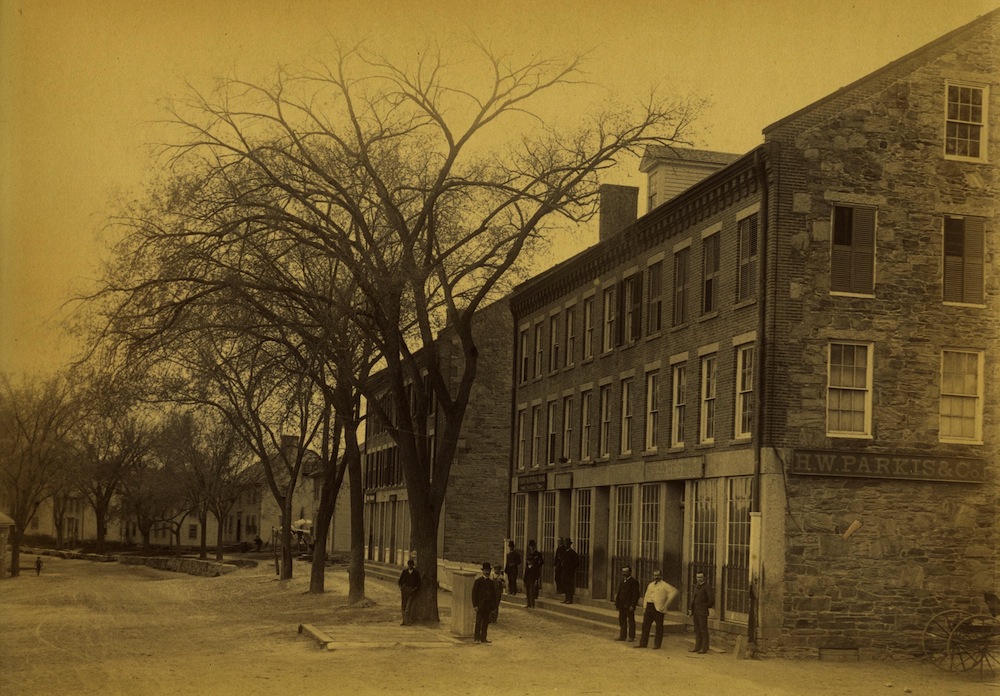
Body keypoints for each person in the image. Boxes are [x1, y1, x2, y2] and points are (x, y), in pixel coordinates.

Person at [634, 569, 678, 649]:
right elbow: (647, 596)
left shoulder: (664, 585)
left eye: (658, 575)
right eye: (655, 575)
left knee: (659, 627)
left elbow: (674, 591)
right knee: (645, 625)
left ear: (661, 576)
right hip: (649, 606)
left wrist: (665, 605)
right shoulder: (651, 585)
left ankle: (657, 644)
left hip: (658, 608)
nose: (656, 577)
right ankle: (643, 643)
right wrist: (645, 606)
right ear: (652, 576)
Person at [689, 571, 715, 654]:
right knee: (697, 630)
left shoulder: (707, 587)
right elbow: (693, 599)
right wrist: (691, 609)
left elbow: (711, 600)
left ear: (704, 578)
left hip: (702, 611)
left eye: (700, 577)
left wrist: (704, 606)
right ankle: (697, 647)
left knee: (703, 630)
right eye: (697, 577)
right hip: (696, 611)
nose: (699, 579)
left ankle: (704, 648)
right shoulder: (697, 587)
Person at [472, 562, 497, 643]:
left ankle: (483, 637)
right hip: (480, 605)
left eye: (488, 571)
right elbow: (474, 594)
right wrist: (475, 605)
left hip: (488, 605)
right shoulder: (478, 581)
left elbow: (493, 595)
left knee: (486, 622)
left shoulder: (491, 582)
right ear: (483, 571)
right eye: (485, 570)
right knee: (479, 621)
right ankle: (477, 638)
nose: (487, 572)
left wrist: (493, 607)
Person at [614, 565, 641, 641]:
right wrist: (617, 603)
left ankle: (631, 637)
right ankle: (622, 636)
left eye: (626, 572)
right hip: (622, 604)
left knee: (631, 620)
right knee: (622, 620)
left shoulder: (633, 582)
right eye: (623, 572)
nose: (624, 573)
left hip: (629, 605)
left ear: (630, 572)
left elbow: (636, 595)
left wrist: (633, 605)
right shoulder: (622, 581)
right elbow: (619, 592)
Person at [397, 558, 421, 626]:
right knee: (403, 606)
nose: (410, 566)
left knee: (408, 606)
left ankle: (408, 621)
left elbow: (418, 583)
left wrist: (414, 589)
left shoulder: (416, 573)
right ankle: (404, 621)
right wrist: (401, 588)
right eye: (409, 564)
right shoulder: (404, 572)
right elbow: (400, 581)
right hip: (404, 591)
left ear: (413, 565)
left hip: (412, 591)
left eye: (411, 565)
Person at [523, 540, 544, 608]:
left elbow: (541, 562)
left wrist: (537, 565)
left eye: (532, 546)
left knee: (534, 588)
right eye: (530, 546)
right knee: (528, 591)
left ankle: (534, 598)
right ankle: (529, 603)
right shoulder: (529, 553)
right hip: (529, 573)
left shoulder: (538, 554)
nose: (531, 547)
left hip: (535, 570)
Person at [560, 539, 579, 604]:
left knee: (569, 585)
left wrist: (571, 568)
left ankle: (570, 599)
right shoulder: (564, 552)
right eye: (565, 544)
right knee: (565, 585)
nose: (566, 545)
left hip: (569, 572)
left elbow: (576, 562)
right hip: (564, 571)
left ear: (570, 544)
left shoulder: (572, 553)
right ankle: (566, 598)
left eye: (567, 544)